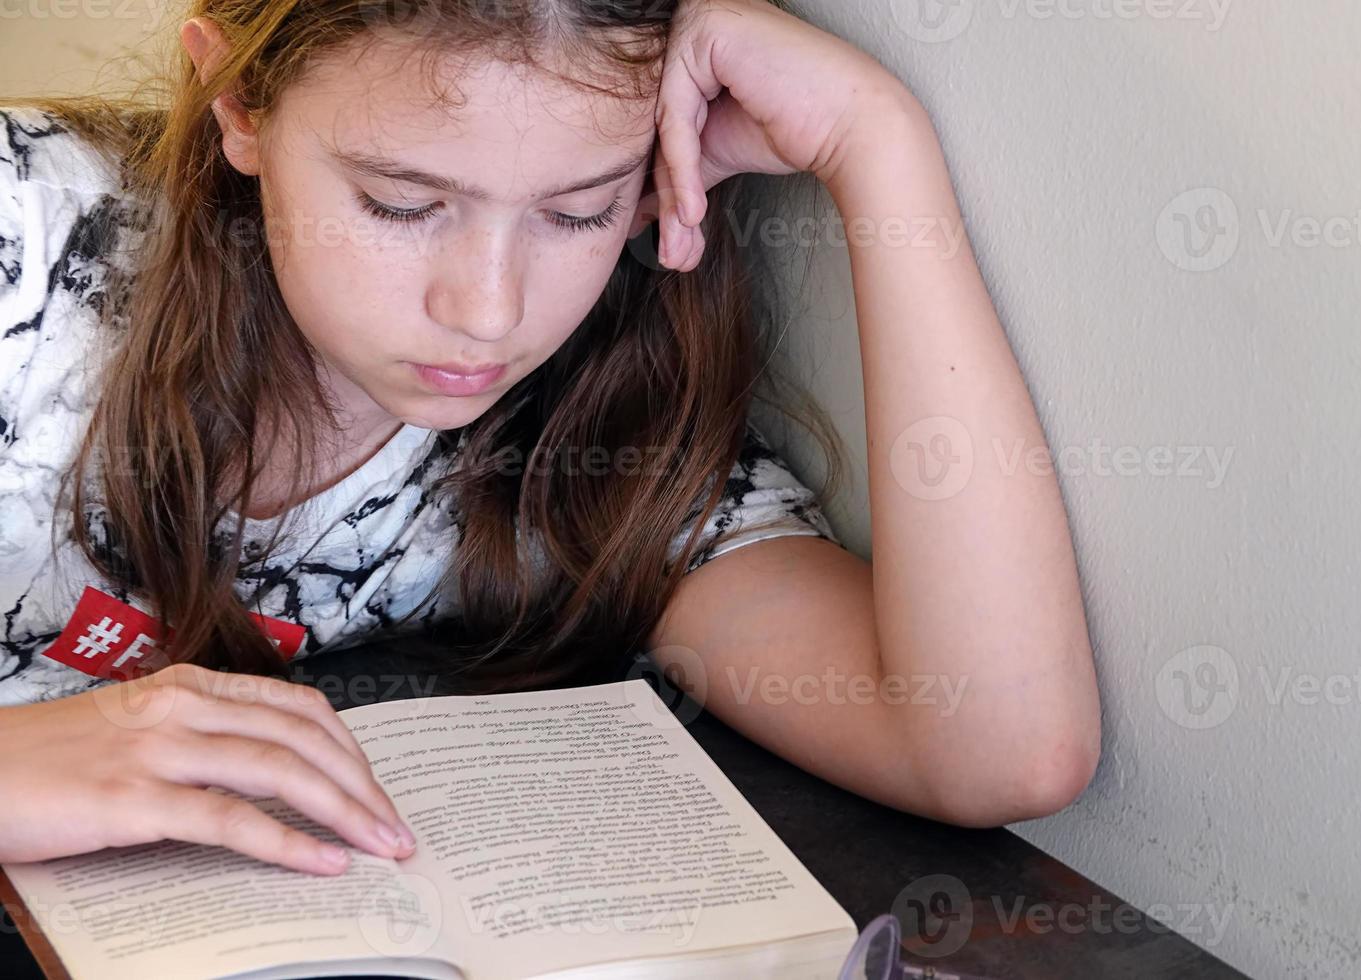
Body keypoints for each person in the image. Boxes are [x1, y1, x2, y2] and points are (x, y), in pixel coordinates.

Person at [0, 0, 1101, 877]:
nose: (489, 310)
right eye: (398, 203)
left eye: (579, 211)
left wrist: (877, 145)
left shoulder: (589, 428)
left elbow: (996, 748)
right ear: (239, 100)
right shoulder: (27, 238)